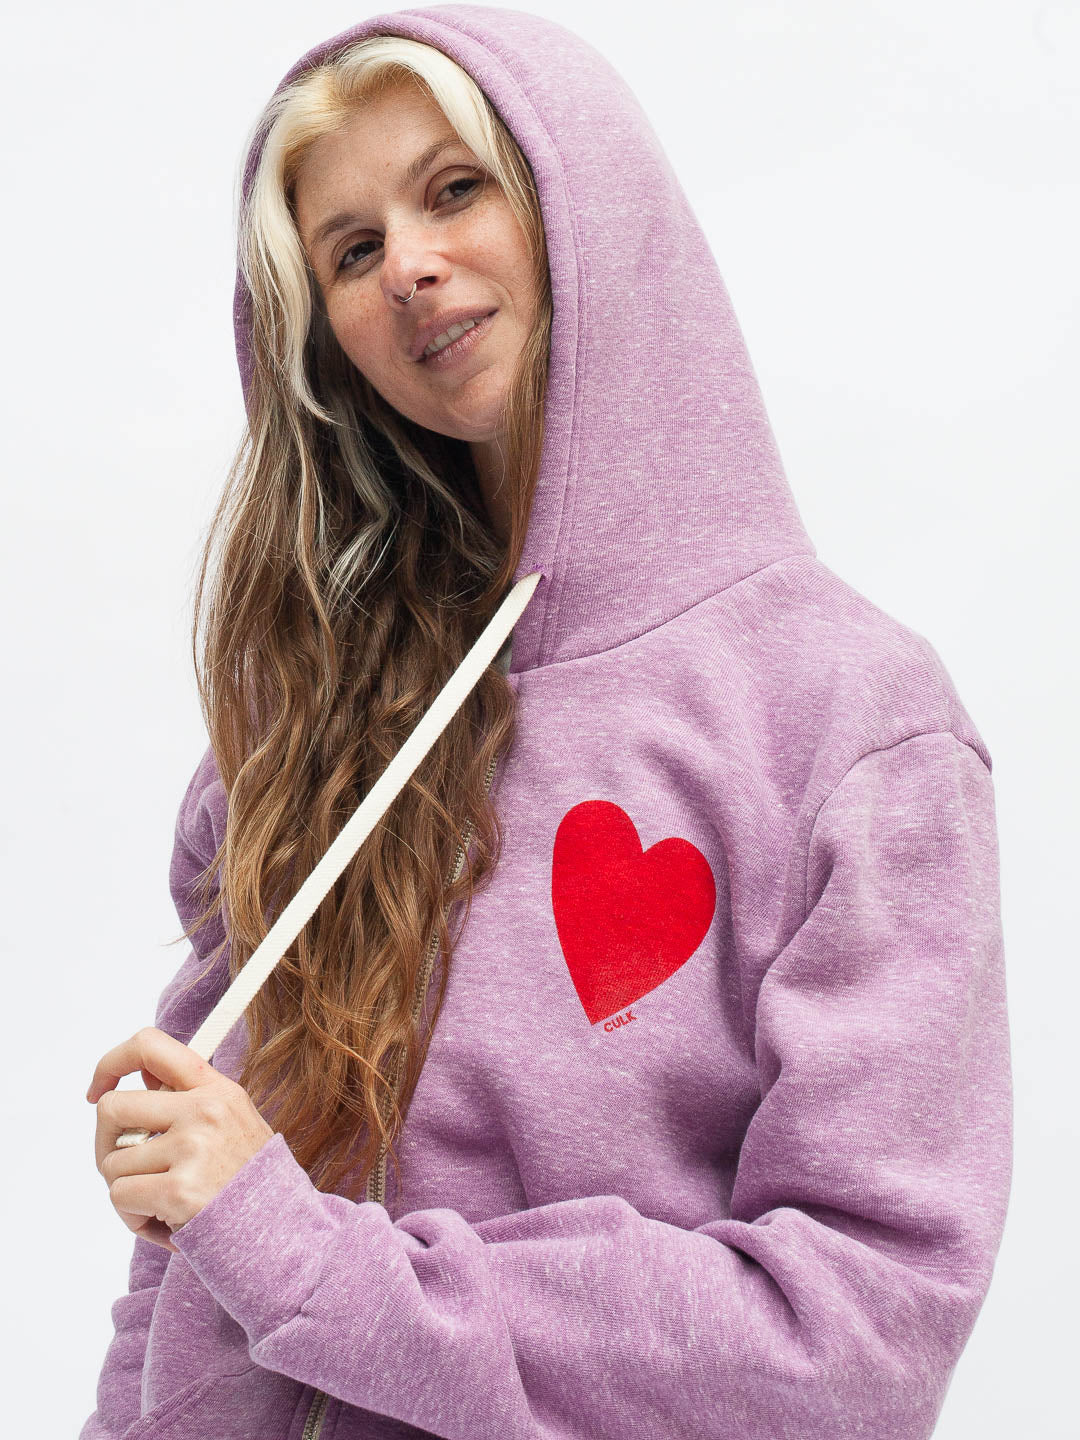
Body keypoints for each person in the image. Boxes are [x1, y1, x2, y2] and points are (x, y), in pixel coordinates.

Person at [80, 7, 1013, 1440]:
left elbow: (856, 1337)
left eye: (454, 188)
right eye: (349, 247)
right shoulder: (305, 723)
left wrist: (306, 1254)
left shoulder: (850, 721)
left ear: (585, 200)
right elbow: (183, 1268)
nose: (411, 264)